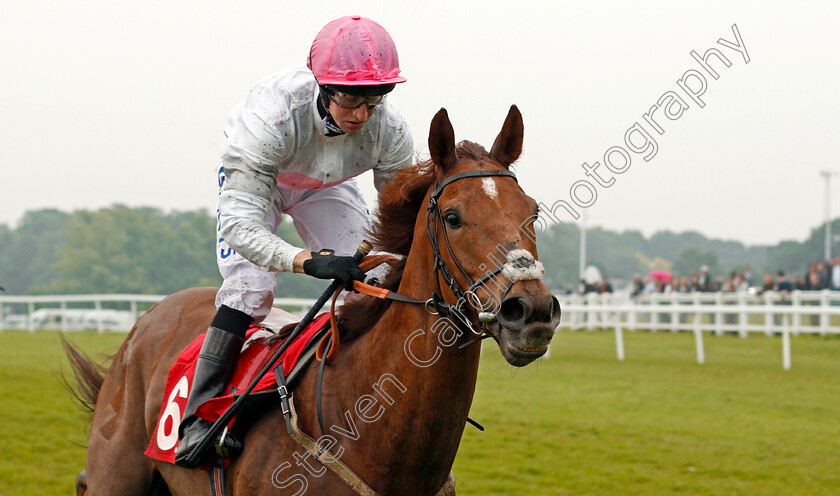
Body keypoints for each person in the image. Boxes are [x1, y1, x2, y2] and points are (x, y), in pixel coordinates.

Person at [175, 16, 414, 467]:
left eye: (373, 99)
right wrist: (309, 262)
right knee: (251, 290)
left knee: (380, 271)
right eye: (349, 98)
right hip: (258, 182)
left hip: (327, 187)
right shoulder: (271, 113)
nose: (361, 115)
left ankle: (372, 394)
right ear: (322, 85)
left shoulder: (391, 128)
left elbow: (400, 210)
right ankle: (198, 420)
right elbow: (241, 229)